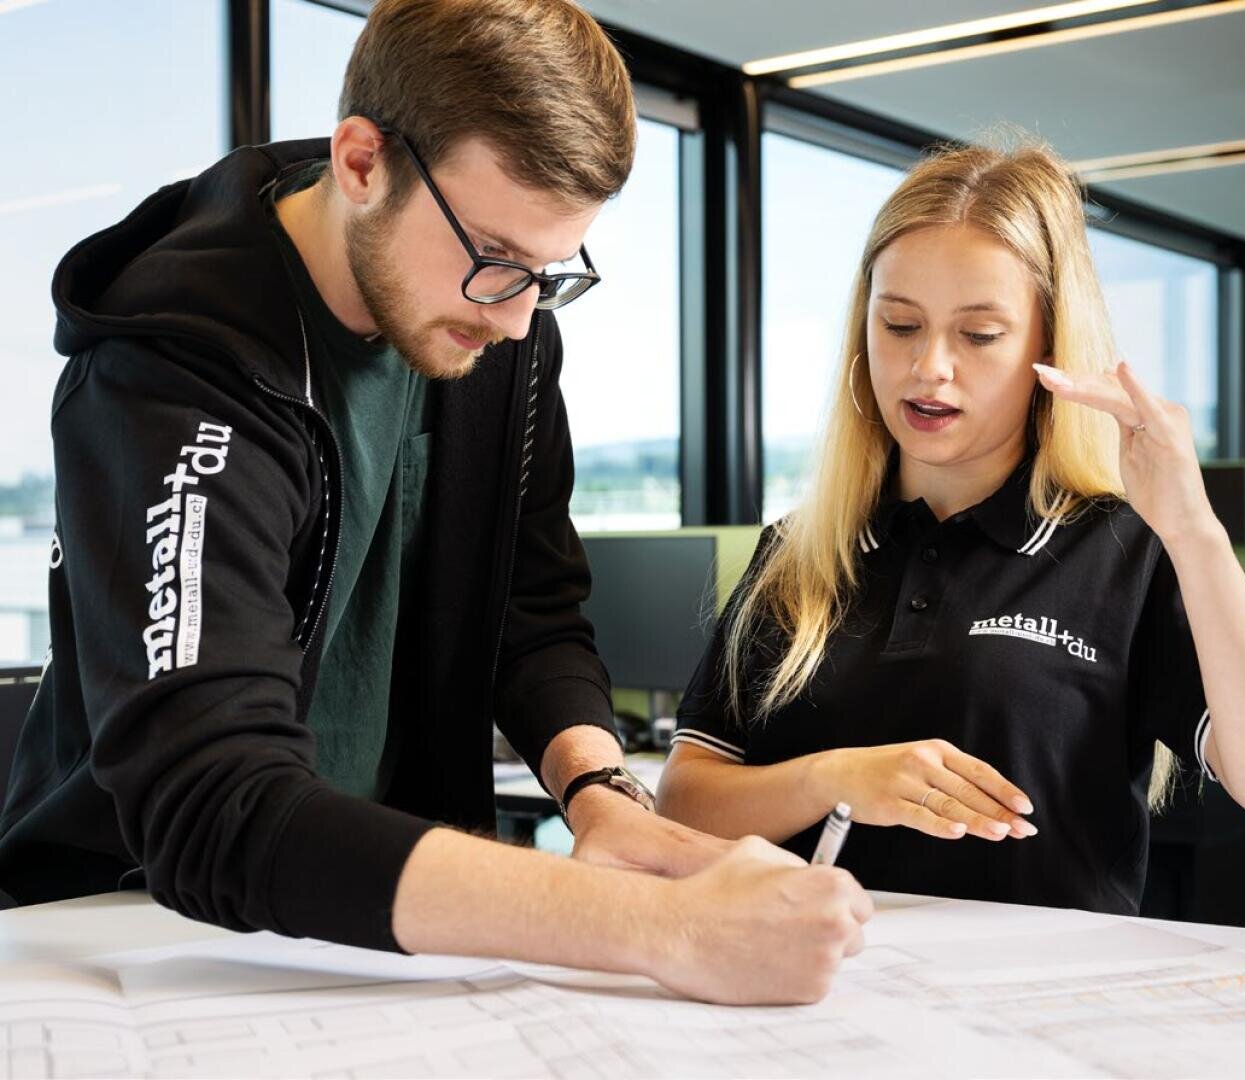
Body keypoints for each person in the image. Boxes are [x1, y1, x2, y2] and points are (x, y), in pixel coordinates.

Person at [0, 0, 868, 1006]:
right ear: (363, 161)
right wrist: (658, 928)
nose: (515, 319)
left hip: (393, 924)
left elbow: (529, 614)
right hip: (138, 934)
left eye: (549, 273)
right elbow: (213, 801)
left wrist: (600, 795)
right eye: (496, 258)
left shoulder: (499, 329)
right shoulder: (172, 371)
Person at [657, 140, 1245, 914]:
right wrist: (835, 778)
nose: (929, 368)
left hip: (1043, 1012)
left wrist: (1194, 532)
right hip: (813, 992)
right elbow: (682, 804)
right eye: (900, 325)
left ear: (1048, 348)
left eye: (978, 336)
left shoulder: (1124, 550)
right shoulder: (797, 552)